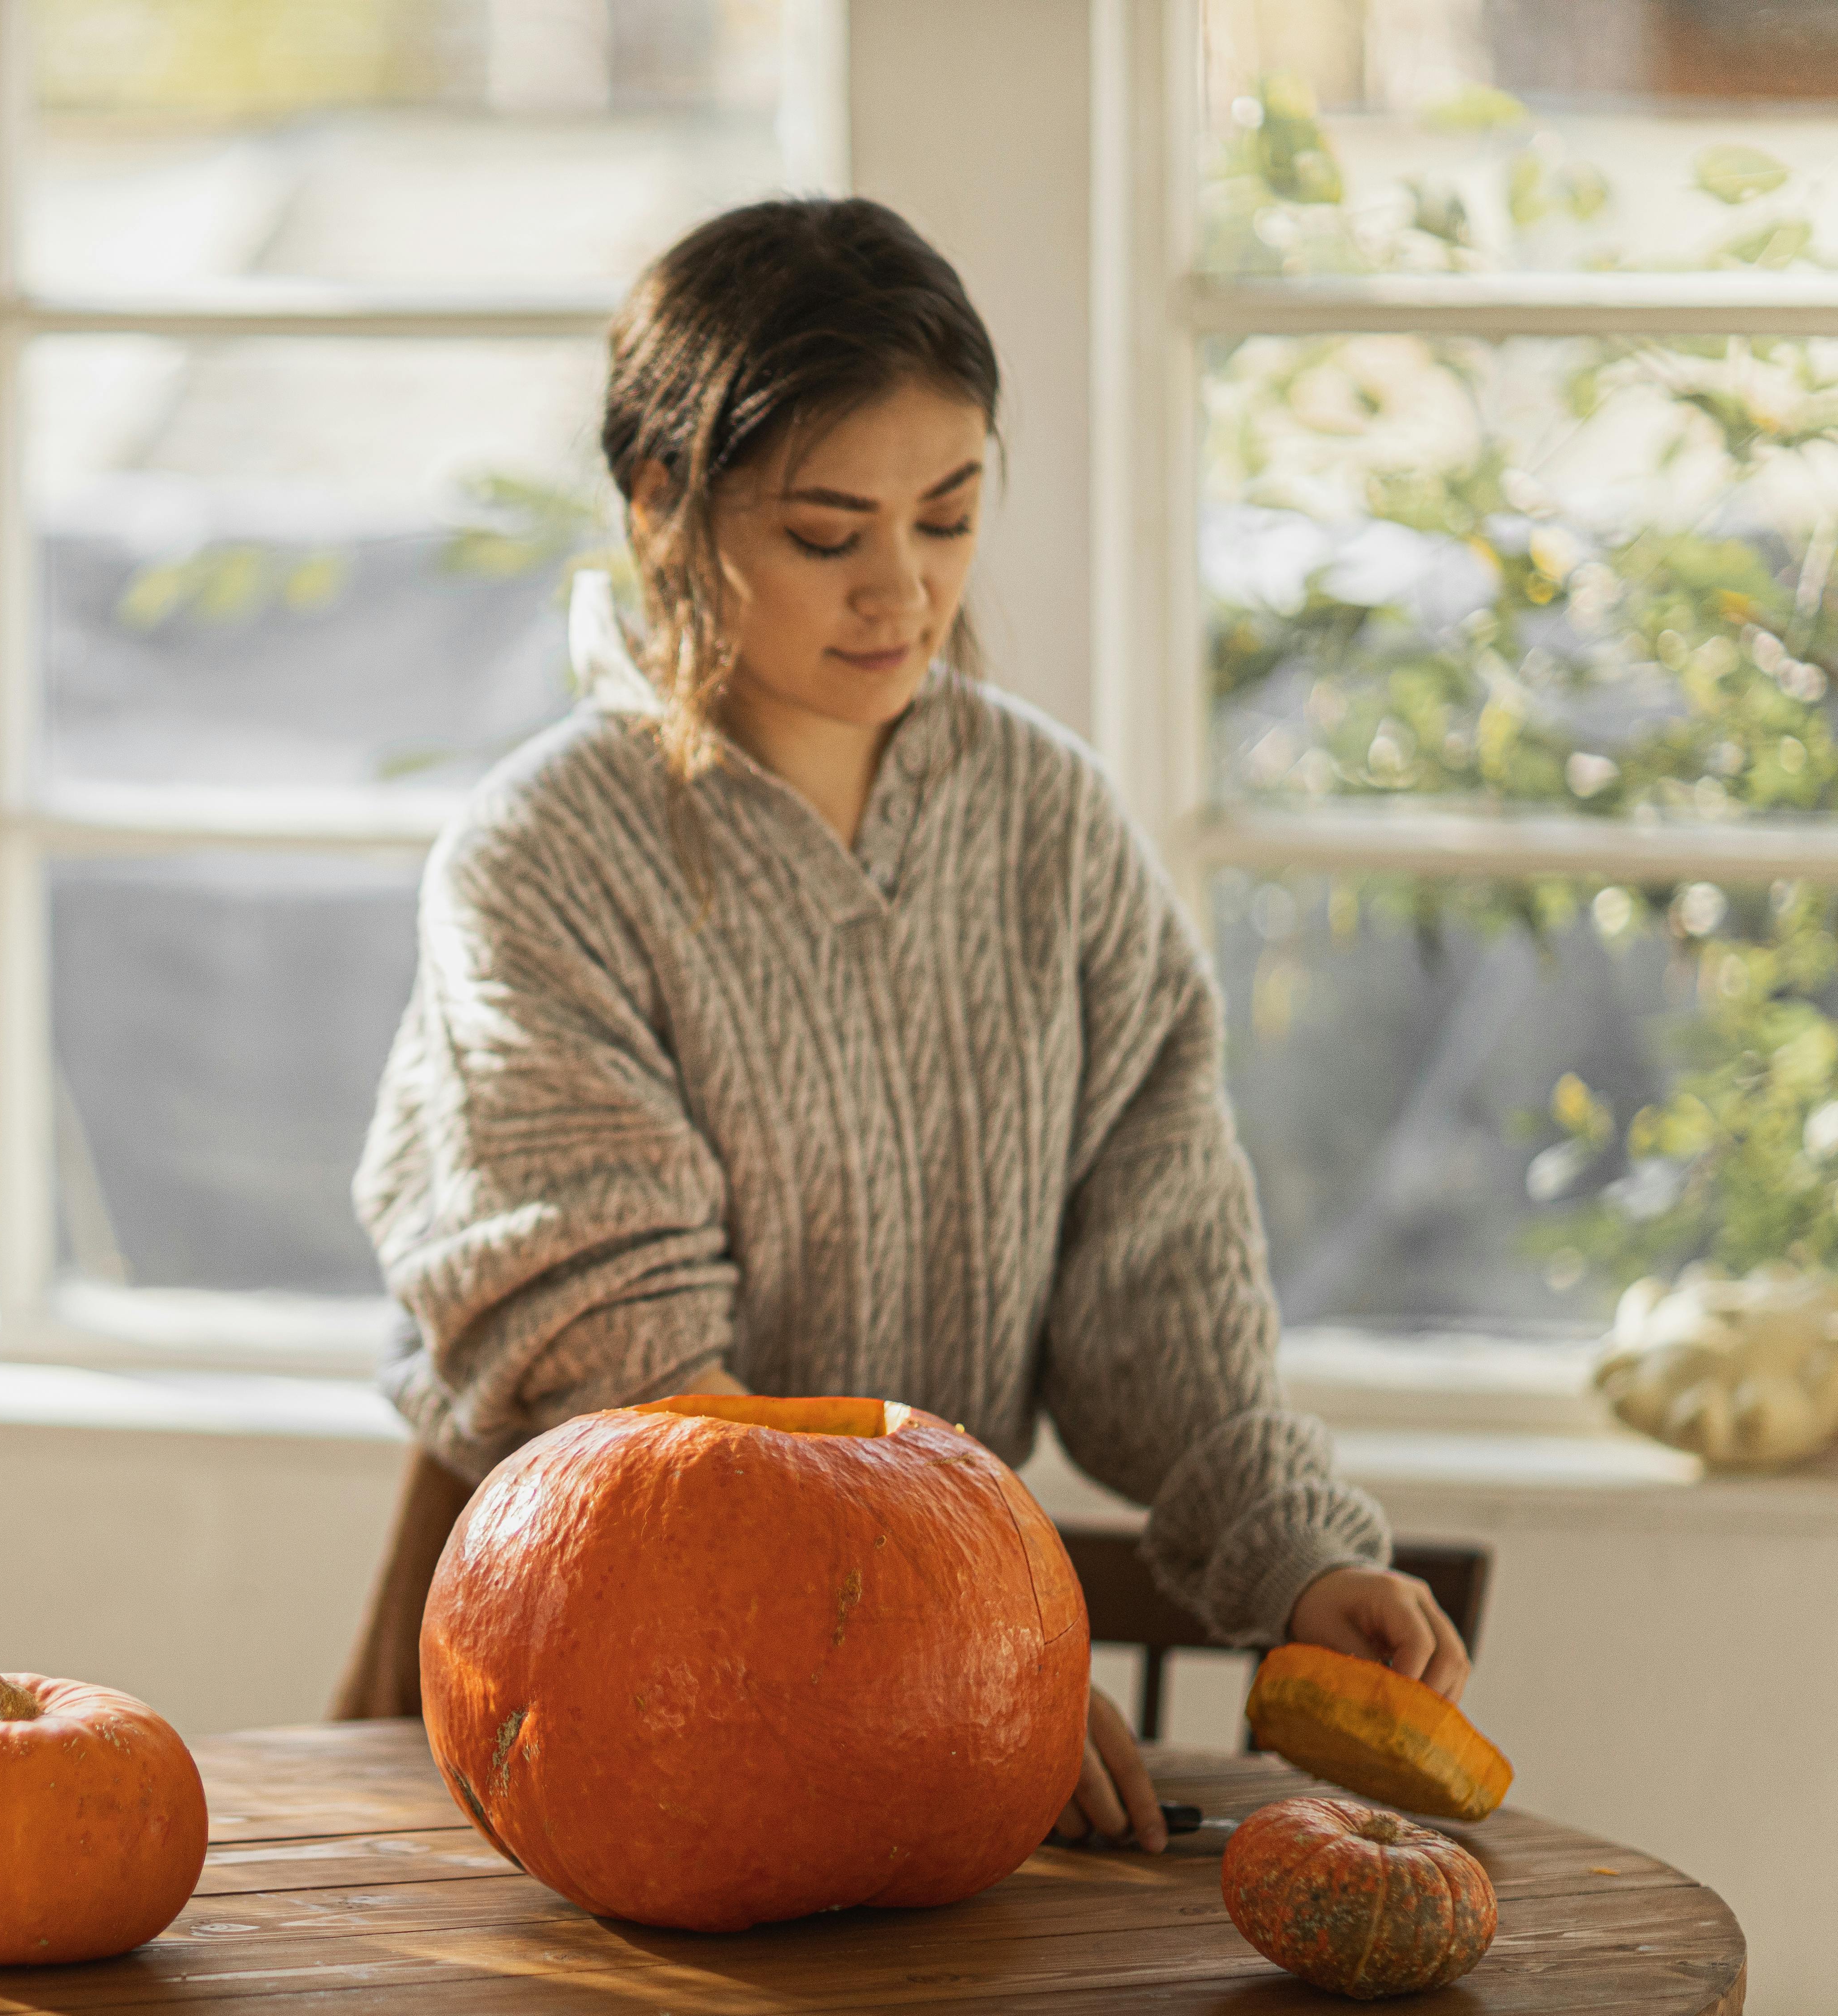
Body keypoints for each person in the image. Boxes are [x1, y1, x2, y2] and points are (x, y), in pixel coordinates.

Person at [348, 196, 1470, 1854]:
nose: (903, 590)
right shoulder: (544, 860)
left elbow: (1158, 1276)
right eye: (828, 533)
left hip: (940, 1672)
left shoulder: (1055, 827)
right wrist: (953, 1659)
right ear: (663, 497)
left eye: (947, 518)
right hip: (588, 1687)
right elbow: (630, 1373)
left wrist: (1299, 1557)